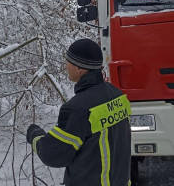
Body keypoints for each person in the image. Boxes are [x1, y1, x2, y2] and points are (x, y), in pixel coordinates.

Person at [26, 39, 132, 186]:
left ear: (80, 68)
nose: (66, 66)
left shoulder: (78, 108)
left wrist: (34, 134)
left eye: (68, 62)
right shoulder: (117, 94)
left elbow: (53, 154)